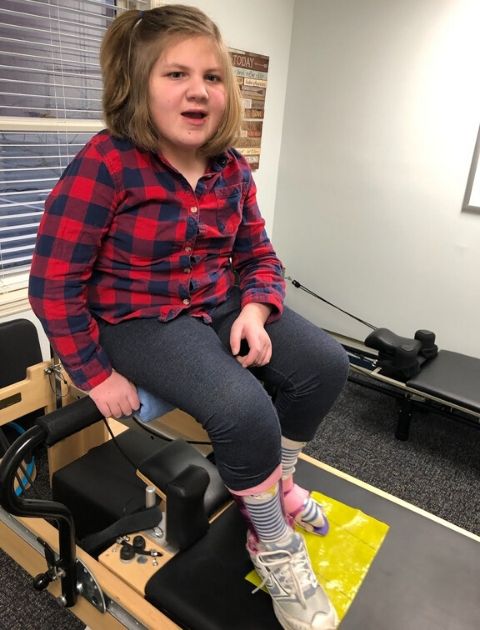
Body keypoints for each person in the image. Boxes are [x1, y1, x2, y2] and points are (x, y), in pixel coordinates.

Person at [29, 5, 348, 629]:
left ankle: (273, 491)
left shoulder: (231, 169)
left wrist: (255, 309)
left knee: (325, 364)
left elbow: (259, 255)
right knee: (244, 409)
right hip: (138, 317)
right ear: (136, 85)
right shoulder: (108, 163)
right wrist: (94, 375)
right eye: (175, 74)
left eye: (212, 76)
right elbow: (53, 283)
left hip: (215, 299)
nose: (199, 89)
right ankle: (271, 539)